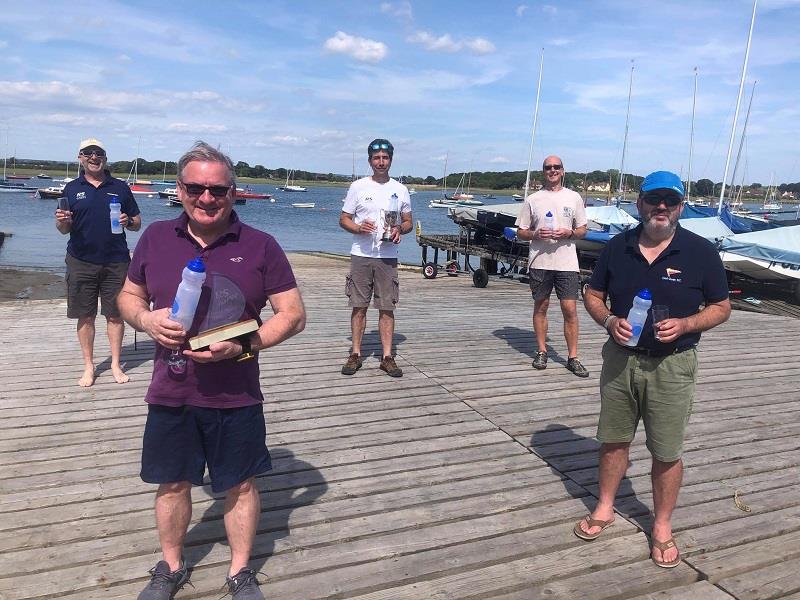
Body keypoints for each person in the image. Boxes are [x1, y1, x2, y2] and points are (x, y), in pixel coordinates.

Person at [117, 141, 306, 600]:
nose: (207, 198)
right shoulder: (156, 237)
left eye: (218, 190)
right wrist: (145, 320)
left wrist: (245, 344)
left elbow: (293, 314)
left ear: (233, 192)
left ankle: (240, 572)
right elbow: (127, 296)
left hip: (236, 392)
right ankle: (172, 566)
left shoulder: (260, 245)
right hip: (170, 389)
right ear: (180, 189)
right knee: (173, 481)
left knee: (240, 484)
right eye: (196, 188)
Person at [578, 171, 731, 568]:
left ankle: (661, 526)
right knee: (613, 439)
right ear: (639, 202)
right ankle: (605, 507)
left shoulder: (700, 252)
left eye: (670, 200)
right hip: (619, 359)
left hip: (672, 365)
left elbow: (721, 307)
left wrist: (687, 323)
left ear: (680, 206)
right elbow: (592, 293)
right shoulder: (617, 246)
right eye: (653, 199)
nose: (661, 207)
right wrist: (609, 320)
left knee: (666, 449)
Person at [55, 137, 141, 387]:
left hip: (116, 261)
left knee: (115, 315)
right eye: (88, 153)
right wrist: (62, 221)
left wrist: (129, 222)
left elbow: (137, 223)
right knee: (86, 315)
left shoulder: (120, 187)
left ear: (105, 157)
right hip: (81, 261)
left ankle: (115, 364)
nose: (94, 157)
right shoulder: (71, 189)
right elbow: (62, 229)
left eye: (99, 153)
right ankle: (89, 367)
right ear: (80, 158)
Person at [339, 138, 412, 377]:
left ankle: (388, 357)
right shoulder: (358, 187)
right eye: (376, 158)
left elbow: (408, 221)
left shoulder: (400, 189)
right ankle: (356, 354)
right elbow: (344, 219)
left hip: (387, 256)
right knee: (359, 306)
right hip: (361, 255)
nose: (381, 162)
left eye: (385, 158)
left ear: (391, 159)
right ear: (370, 160)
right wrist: (358, 227)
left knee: (386, 308)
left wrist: (400, 229)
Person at [514, 155, 589, 377]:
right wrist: (535, 233)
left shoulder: (574, 197)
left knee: (570, 309)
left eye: (557, 167)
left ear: (563, 171)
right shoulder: (533, 199)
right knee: (541, 306)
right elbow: (520, 231)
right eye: (548, 167)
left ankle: (573, 357)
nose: (553, 170)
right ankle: (541, 351)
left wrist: (571, 233)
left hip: (567, 262)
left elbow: (583, 229)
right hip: (540, 261)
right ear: (543, 171)